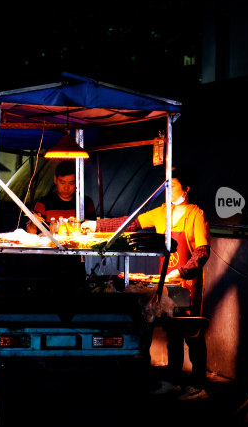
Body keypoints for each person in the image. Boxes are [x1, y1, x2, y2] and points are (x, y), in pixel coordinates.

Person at [84, 165, 211, 400]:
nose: (168, 191)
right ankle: (174, 381)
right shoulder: (161, 212)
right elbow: (131, 223)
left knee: (191, 332)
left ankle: (198, 384)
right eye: (166, 186)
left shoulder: (196, 214)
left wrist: (182, 271)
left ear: (187, 188)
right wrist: (96, 226)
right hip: (163, 282)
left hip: (186, 284)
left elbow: (202, 252)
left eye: (172, 186)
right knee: (172, 333)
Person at [26, 160, 96, 234]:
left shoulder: (86, 203)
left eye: (71, 183)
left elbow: (94, 231)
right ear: (55, 180)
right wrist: (33, 224)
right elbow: (31, 233)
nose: (66, 188)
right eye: (62, 182)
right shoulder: (43, 203)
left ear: (77, 182)